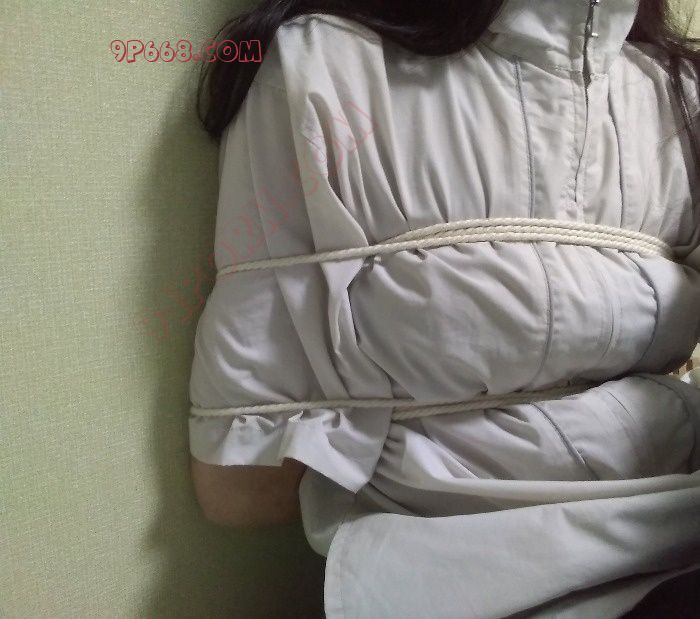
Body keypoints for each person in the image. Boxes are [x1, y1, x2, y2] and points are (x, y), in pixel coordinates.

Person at [187, 1, 700, 616]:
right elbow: (243, 488)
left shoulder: (681, 94)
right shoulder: (323, 67)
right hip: (456, 575)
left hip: (676, 531)